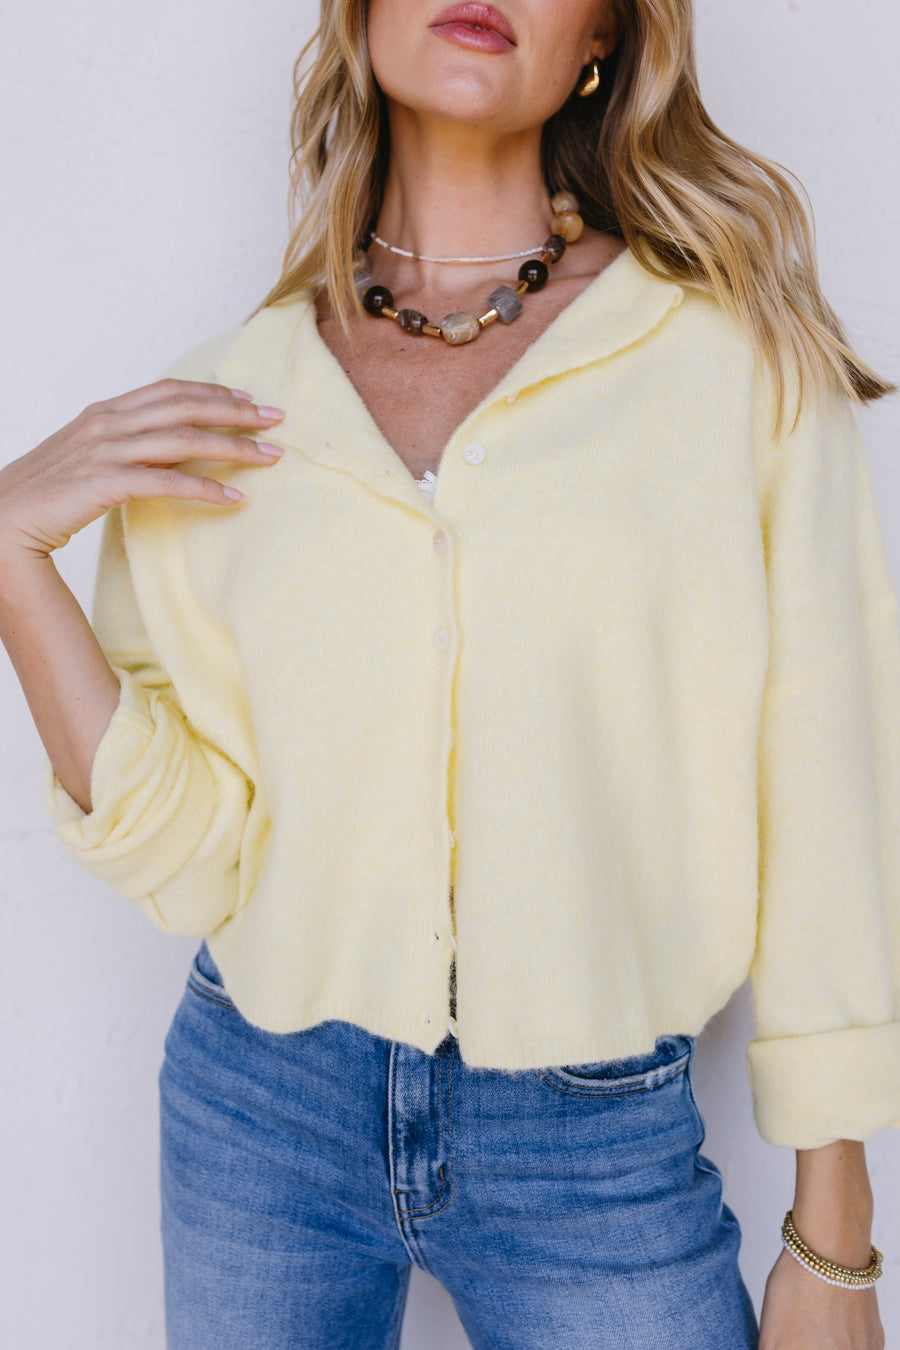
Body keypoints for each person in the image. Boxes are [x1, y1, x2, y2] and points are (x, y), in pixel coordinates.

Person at [0, 0, 896, 1345]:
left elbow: (828, 787)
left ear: (601, 41)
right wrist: (11, 560)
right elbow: (191, 860)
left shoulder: (734, 367)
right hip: (258, 1115)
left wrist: (836, 1239)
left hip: (596, 1149)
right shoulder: (226, 403)